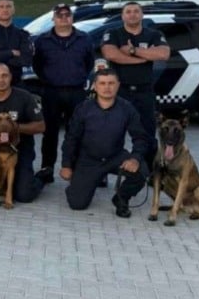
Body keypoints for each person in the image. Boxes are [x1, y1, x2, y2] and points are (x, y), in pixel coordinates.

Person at [60, 68, 151, 218]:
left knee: (142, 171)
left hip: (115, 157)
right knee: (77, 204)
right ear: (95, 86)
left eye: (111, 83)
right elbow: (71, 138)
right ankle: (84, 181)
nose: (107, 87)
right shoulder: (84, 108)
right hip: (88, 160)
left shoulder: (127, 108)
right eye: (102, 83)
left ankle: (121, 198)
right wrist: (66, 165)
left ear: (118, 85)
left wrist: (134, 158)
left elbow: (140, 137)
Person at [100, 1, 170, 165]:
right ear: (123, 15)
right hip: (119, 91)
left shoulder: (152, 34)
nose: (132, 14)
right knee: (110, 132)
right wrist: (143, 58)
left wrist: (133, 51)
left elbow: (164, 53)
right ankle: (104, 170)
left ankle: (148, 170)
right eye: (128, 11)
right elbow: (111, 54)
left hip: (144, 91)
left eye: (136, 11)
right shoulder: (114, 33)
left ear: (142, 14)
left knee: (147, 133)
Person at [32, 3, 95, 182]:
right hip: (51, 92)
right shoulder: (42, 40)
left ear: (72, 17)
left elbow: (88, 63)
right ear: (54, 18)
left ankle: (73, 167)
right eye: (59, 15)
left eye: (67, 14)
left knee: (75, 132)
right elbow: (38, 65)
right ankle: (47, 169)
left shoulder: (84, 38)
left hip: (76, 92)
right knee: (49, 133)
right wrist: (48, 79)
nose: (64, 18)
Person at [0, 64, 49, 202]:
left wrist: (12, 127)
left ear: (10, 77)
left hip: (20, 147)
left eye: (4, 75)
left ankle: (41, 177)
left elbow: (41, 126)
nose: (1, 80)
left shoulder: (25, 97)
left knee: (24, 195)